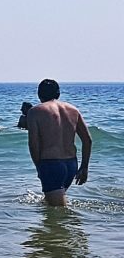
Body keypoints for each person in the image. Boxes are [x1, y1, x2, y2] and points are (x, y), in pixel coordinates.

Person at [26, 78, 92, 207]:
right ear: (58, 93)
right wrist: (84, 167)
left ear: (39, 94)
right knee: (50, 204)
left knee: (59, 210)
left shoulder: (35, 112)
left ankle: (72, 226)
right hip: (71, 165)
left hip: (50, 164)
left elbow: (33, 143)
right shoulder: (73, 110)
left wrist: (38, 166)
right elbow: (87, 140)